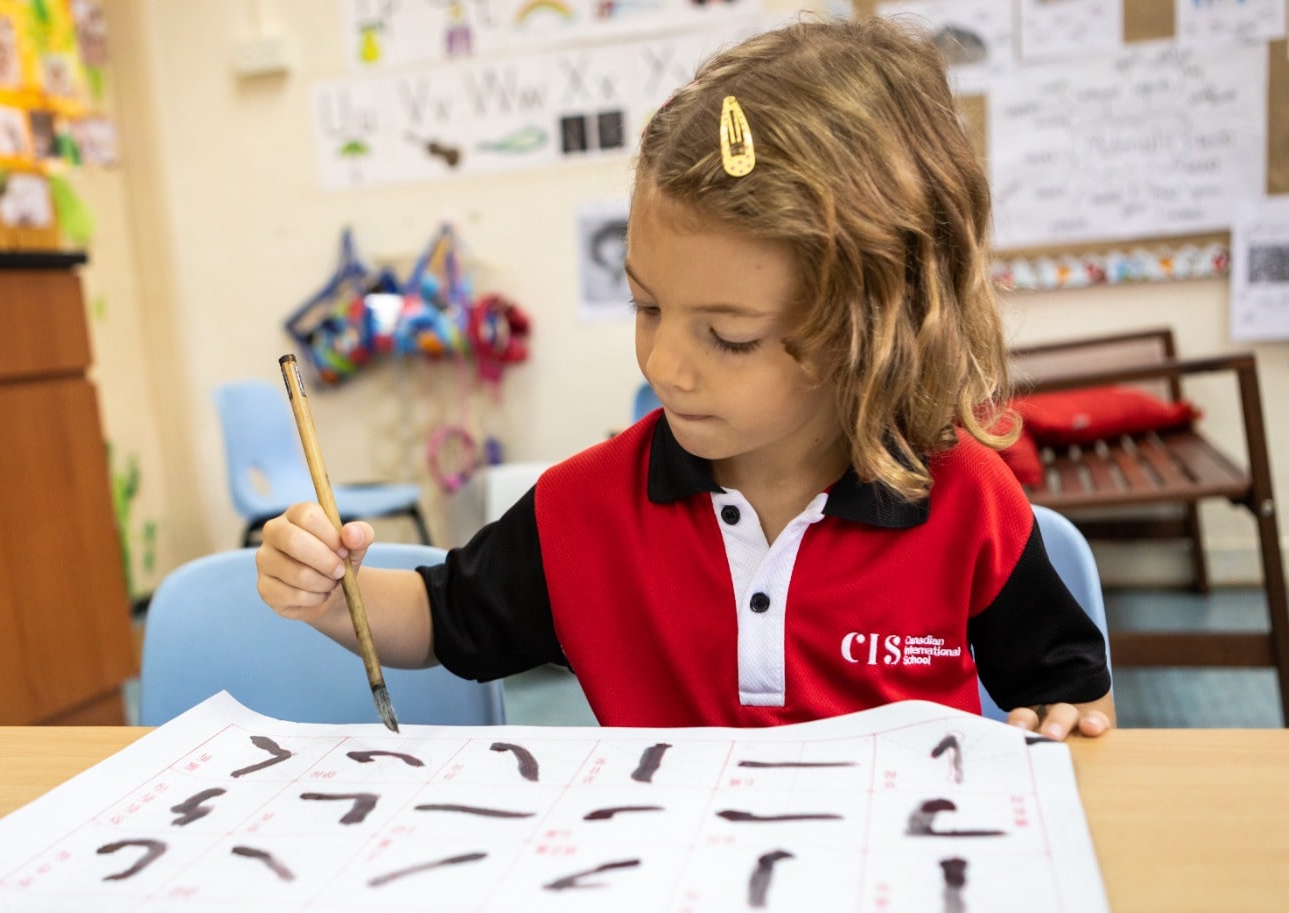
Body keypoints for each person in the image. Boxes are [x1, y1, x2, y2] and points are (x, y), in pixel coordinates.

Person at [256, 15, 1114, 740]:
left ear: (877, 328)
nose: (665, 365)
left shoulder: (966, 502)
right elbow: (442, 621)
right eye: (645, 306)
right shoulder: (585, 511)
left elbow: (1071, 696)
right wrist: (336, 596)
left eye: (730, 338)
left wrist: (1066, 722)